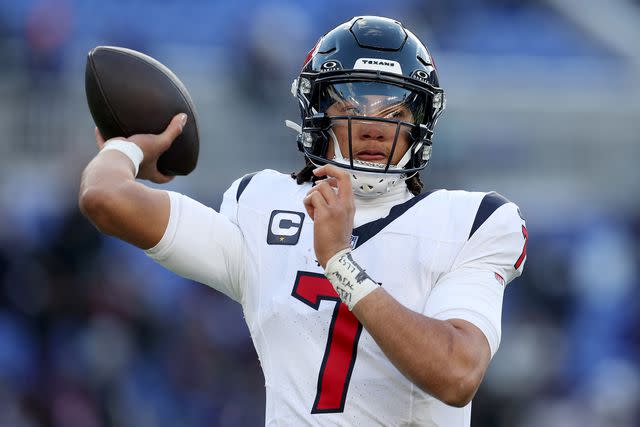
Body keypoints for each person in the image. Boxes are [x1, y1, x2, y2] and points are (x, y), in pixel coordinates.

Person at [79, 16, 527, 426]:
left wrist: (339, 262)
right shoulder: (261, 206)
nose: (372, 126)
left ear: (421, 123)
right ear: (317, 115)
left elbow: (457, 374)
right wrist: (126, 148)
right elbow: (105, 198)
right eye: (351, 105)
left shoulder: (473, 220)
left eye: (394, 111)